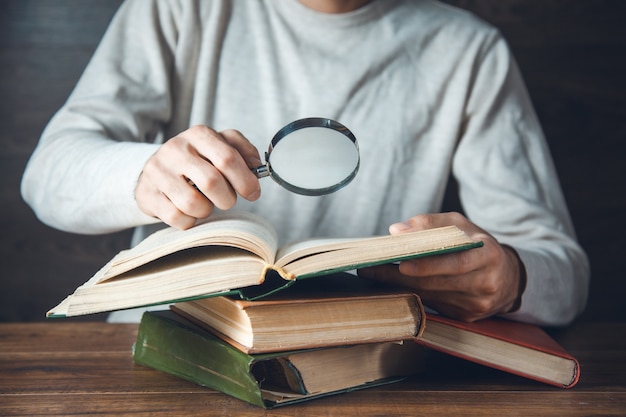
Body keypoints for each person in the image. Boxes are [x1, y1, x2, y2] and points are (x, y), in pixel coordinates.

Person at [21, 0, 589, 325]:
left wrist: (509, 277)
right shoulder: (179, 9)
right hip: (166, 348)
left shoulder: (469, 52)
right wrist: (146, 175)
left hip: (371, 367)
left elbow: (565, 274)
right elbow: (46, 176)